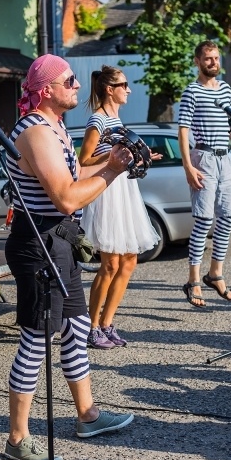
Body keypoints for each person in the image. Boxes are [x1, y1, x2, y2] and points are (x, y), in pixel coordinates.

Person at [3, 54, 134, 460]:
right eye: (70, 80)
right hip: (39, 241)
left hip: (59, 241)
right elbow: (64, 197)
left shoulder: (56, 126)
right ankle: (17, 438)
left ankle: (88, 415)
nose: (78, 85)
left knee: (77, 327)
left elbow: (74, 174)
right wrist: (111, 171)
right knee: (36, 340)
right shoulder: (36, 130)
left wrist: (116, 159)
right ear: (46, 90)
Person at [79, 65, 159, 349]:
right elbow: (83, 161)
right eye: (124, 85)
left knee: (129, 261)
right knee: (110, 263)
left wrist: (139, 159)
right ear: (109, 89)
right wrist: (111, 160)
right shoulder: (97, 120)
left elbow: (120, 156)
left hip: (125, 190)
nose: (129, 89)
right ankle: (90, 327)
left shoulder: (117, 120)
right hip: (107, 194)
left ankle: (107, 323)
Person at [178, 40, 231, 308]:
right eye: (208, 59)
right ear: (197, 61)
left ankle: (215, 273)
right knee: (204, 219)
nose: (213, 63)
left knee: (228, 216)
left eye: (216, 58)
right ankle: (193, 280)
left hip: (224, 158)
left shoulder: (226, 90)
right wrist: (188, 166)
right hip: (203, 157)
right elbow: (183, 130)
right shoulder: (191, 92)